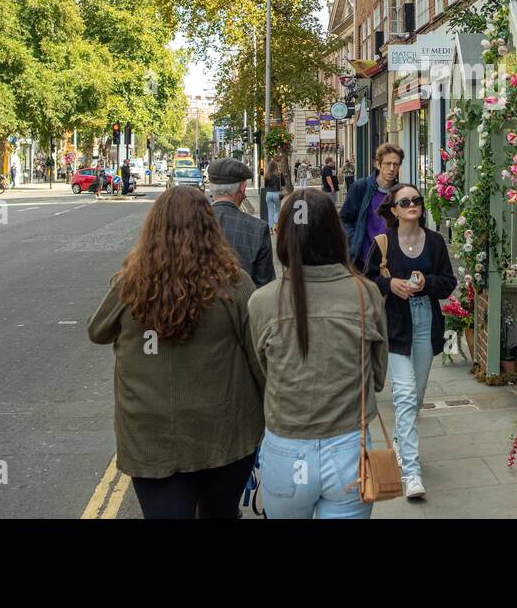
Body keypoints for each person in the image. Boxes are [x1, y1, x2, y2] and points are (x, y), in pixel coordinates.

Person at [88, 186, 265, 518]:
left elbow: (97, 331)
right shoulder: (233, 283)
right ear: (210, 227)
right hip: (224, 433)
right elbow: (258, 357)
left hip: (151, 436)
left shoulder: (131, 284)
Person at [247, 188, 388, 519]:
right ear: (335, 234)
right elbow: (377, 378)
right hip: (349, 447)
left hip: (286, 446)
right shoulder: (365, 293)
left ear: (283, 236)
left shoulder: (263, 301)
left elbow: (261, 372)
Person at [363, 183, 456, 500]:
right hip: (396, 326)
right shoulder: (383, 242)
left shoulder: (435, 242)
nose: (412, 205)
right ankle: (411, 473)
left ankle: (403, 443)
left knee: (415, 396)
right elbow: (368, 280)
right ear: (394, 210)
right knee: (403, 394)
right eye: (405, 202)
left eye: (416, 200)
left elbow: (448, 282)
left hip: (425, 323)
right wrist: (392, 284)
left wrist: (425, 283)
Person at [208, 158, 276, 288]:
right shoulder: (258, 229)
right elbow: (265, 286)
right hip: (246, 305)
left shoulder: (191, 223)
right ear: (243, 188)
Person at [340, 143, 403, 268]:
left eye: (395, 164)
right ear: (378, 164)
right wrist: (355, 241)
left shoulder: (400, 193)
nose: (391, 168)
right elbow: (344, 219)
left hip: (390, 262)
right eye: (387, 163)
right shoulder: (361, 187)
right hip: (363, 261)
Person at [264, 158, 284, 234]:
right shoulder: (279, 174)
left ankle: (270, 229)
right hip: (277, 194)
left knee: (270, 211)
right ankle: (276, 224)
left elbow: (265, 186)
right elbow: (283, 184)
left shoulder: (267, 175)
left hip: (268, 194)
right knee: (278, 210)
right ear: (276, 166)